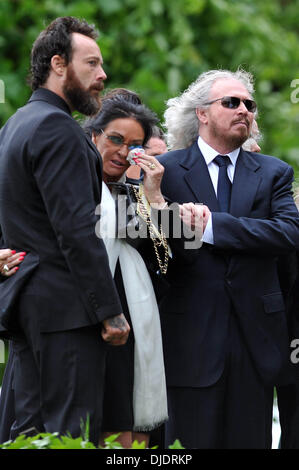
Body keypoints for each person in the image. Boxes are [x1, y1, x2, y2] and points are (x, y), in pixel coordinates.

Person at [0, 17, 130, 446]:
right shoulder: (58, 128)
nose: (102, 76)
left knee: (31, 434)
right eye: (91, 64)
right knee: (69, 435)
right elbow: (75, 229)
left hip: (26, 303)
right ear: (58, 64)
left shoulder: (16, 124)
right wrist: (107, 310)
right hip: (65, 311)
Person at [157, 69, 299, 448]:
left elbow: (287, 233)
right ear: (202, 113)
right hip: (189, 340)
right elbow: (154, 243)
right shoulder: (166, 171)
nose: (244, 110)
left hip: (256, 347)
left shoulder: (274, 172)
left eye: (250, 105)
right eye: (231, 102)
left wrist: (210, 227)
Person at [82, 94, 170, 448]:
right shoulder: (71, 183)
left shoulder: (135, 194)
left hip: (131, 319)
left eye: (135, 146)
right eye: (116, 140)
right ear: (94, 136)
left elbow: (166, 258)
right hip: (79, 315)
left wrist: (154, 194)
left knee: (130, 436)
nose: (123, 152)